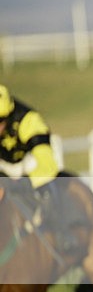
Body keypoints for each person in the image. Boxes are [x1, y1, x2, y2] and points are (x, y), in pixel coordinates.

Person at [0, 84, 68, 244]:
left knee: (47, 194)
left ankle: (62, 236)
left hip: (28, 165)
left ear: (9, 115)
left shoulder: (29, 121)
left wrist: (20, 184)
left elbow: (48, 167)